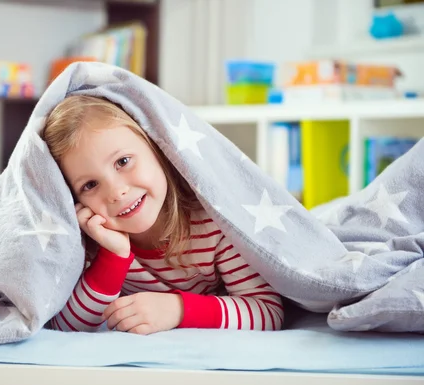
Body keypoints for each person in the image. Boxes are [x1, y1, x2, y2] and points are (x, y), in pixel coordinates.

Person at [41, 95, 284, 334]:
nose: (116, 192)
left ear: (157, 148)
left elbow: (267, 311)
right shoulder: (91, 238)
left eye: (123, 161)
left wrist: (177, 310)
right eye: (90, 185)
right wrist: (113, 256)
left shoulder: (213, 224)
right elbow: (65, 327)